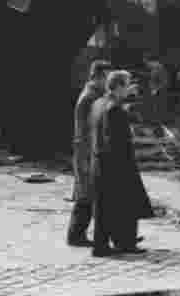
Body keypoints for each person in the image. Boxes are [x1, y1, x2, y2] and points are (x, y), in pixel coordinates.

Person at [90, 70, 154, 257]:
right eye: (127, 84)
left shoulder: (98, 103)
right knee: (124, 205)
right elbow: (116, 142)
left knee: (105, 207)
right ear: (118, 86)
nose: (130, 88)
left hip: (99, 161)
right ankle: (121, 243)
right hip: (115, 164)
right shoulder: (114, 109)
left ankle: (112, 242)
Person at [67, 59, 112, 247]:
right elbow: (86, 129)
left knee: (87, 194)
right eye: (108, 76)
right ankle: (76, 236)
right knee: (85, 195)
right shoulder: (90, 97)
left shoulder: (95, 94)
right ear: (99, 76)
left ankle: (78, 235)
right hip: (86, 150)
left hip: (87, 150)